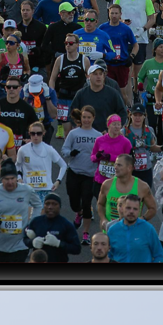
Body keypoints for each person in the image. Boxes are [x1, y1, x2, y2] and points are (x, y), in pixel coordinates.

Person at [0, 159, 43, 263]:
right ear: (1, 179)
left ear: (17, 178)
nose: (10, 182)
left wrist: (31, 223)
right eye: (6, 179)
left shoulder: (27, 190)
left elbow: (38, 205)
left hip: (20, 245)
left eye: (12, 178)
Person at [62, 105, 101, 246]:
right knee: (73, 202)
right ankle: (77, 213)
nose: (86, 120)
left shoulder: (98, 136)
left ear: (93, 119)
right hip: (74, 171)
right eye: (84, 117)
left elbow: (101, 153)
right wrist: (70, 153)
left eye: (88, 117)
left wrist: (99, 156)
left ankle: (86, 232)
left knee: (86, 203)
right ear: (81, 118)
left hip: (90, 174)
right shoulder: (74, 133)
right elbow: (64, 149)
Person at [97, 153, 157, 228]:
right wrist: (103, 219)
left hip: (132, 232)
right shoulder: (107, 184)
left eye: (119, 165)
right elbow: (100, 204)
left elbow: (152, 208)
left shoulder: (142, 187)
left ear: (129, 168)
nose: (115, 167)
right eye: (115, 164)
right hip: (110, 233)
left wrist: (141, 219)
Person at [107, 194, 163, 263]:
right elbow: (108, 256)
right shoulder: (112, 230)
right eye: (128, 208)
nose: (131, 211)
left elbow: (159, 255)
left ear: (139, 211)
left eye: (135, 209)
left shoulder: (148, 229)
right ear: (122, 208)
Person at [23, 192, 81, 262]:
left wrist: (58, 243)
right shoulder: (36, 222)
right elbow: (25, 239)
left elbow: (77, 248)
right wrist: (32, 242)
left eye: (54, 204)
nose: (50, 207)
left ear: (59, 206)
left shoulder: (66, 225)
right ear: (43, 206)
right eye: (47, 204)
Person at [70, 64, 127, 133]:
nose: (98, 77)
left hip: (107, 134)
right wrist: (78, 126)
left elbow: (122, 112)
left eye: (100, 74)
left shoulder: (113, 93)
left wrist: (115, 128)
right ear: (89, 76)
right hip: (86, 134)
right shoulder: (81, 94)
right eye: (95, 74)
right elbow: (73, 112)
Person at [16, 121, 67, 193]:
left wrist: (58, 181)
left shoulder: (49, 149)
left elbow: (63, 165)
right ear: (29, 134)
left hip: (46, 189)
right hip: (28, 190)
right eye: (33, 134)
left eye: (38, 133)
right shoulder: (23, 150)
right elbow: (17, 165)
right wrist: (19, 178)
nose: (35, 136)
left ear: (43, 133)